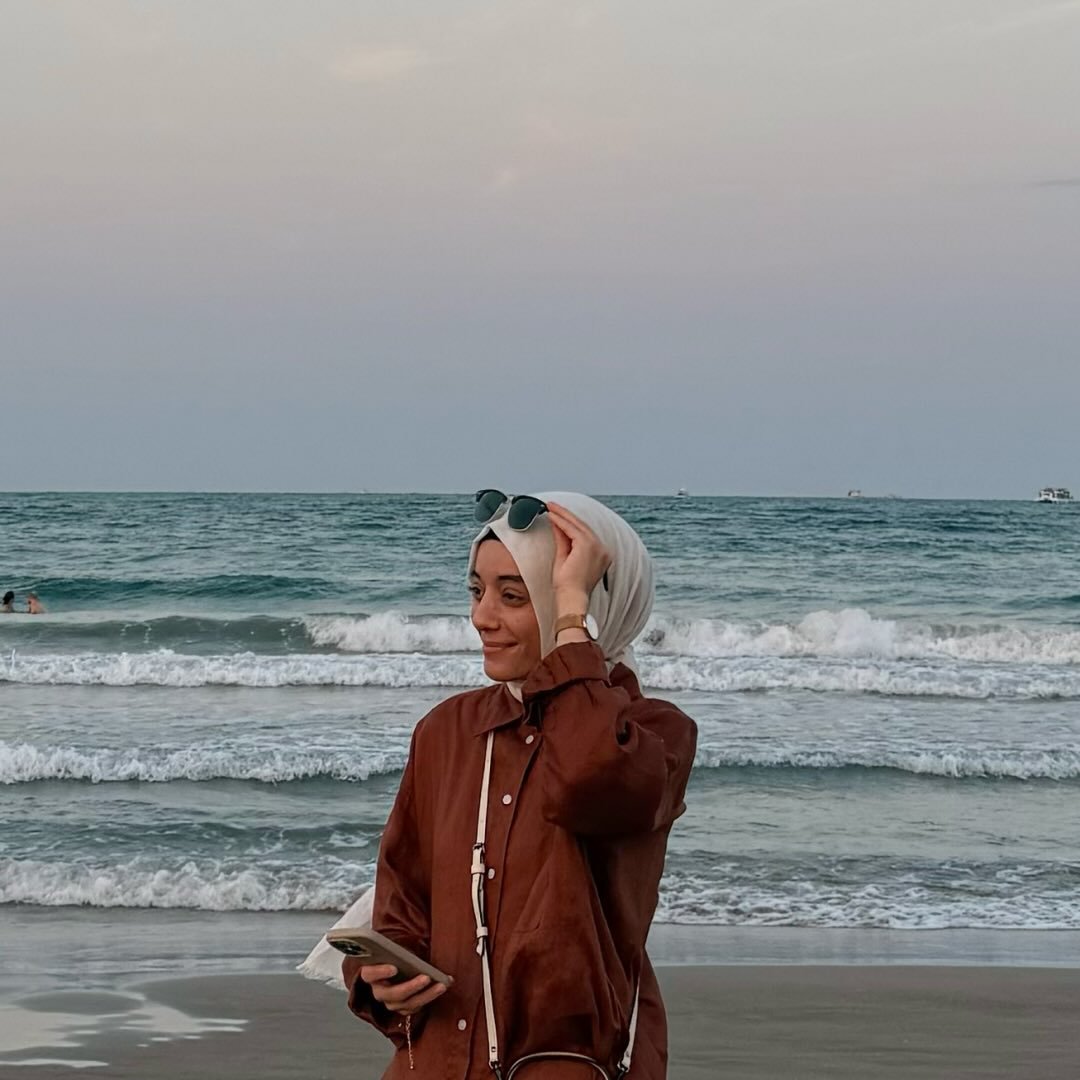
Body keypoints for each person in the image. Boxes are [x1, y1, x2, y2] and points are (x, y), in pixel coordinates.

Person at [343, 491, 697, 1079]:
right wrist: (379, 980)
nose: (482, 617)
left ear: (594, 606)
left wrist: (571, 620)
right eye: (476, 591)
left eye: (514, 596)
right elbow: (401, 901)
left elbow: (589, 782)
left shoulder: (651, 734)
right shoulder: (447, 730)